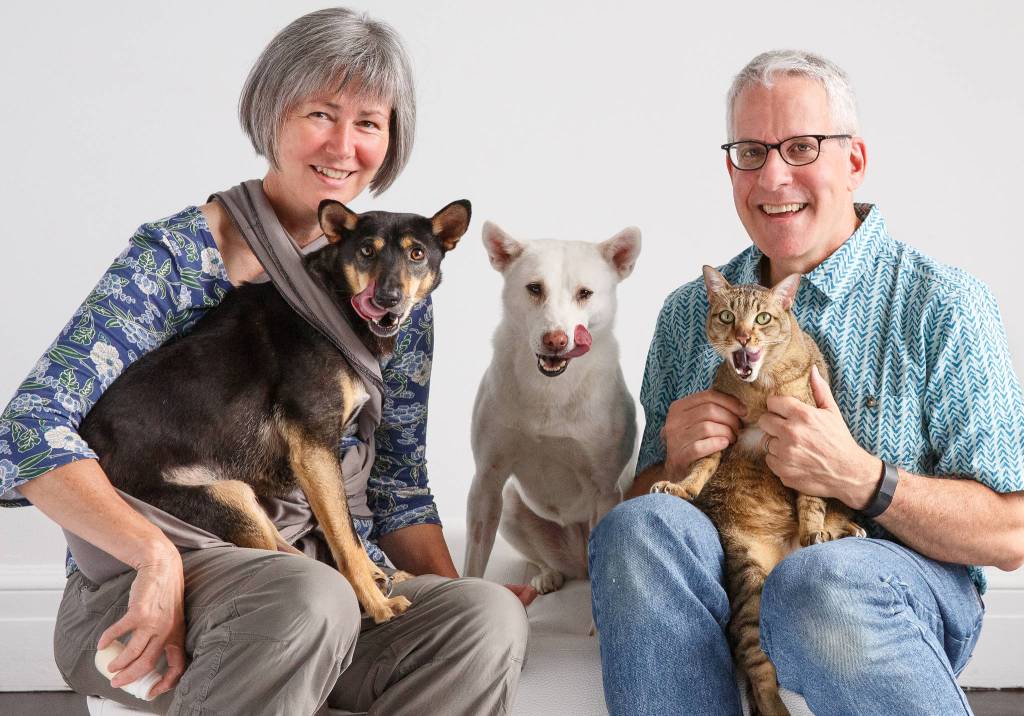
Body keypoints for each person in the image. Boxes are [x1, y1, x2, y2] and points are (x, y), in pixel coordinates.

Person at [0, 8, 533, 715]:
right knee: (309, 595)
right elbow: (27, 429)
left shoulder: (397, 290)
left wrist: (470, 587)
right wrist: (154, 559)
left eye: (369, 123)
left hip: (316, 590)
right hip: (162, 581)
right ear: (270, 114)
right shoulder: (177, 259)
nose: (344, 145)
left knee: (482, 621)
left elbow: (398, 481)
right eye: (321, 112)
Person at [589, 50, 1024, 716]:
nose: (773, 176)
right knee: (633, 528)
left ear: (853, 160)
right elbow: (652, 508)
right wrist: (671, 462)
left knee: (817, 578)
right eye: (751, 152)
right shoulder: (691, 314)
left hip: (894, 584)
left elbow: (1011, 533)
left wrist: (863, 480)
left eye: (800, 147)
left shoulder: (944, 304)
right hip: (734, 562)